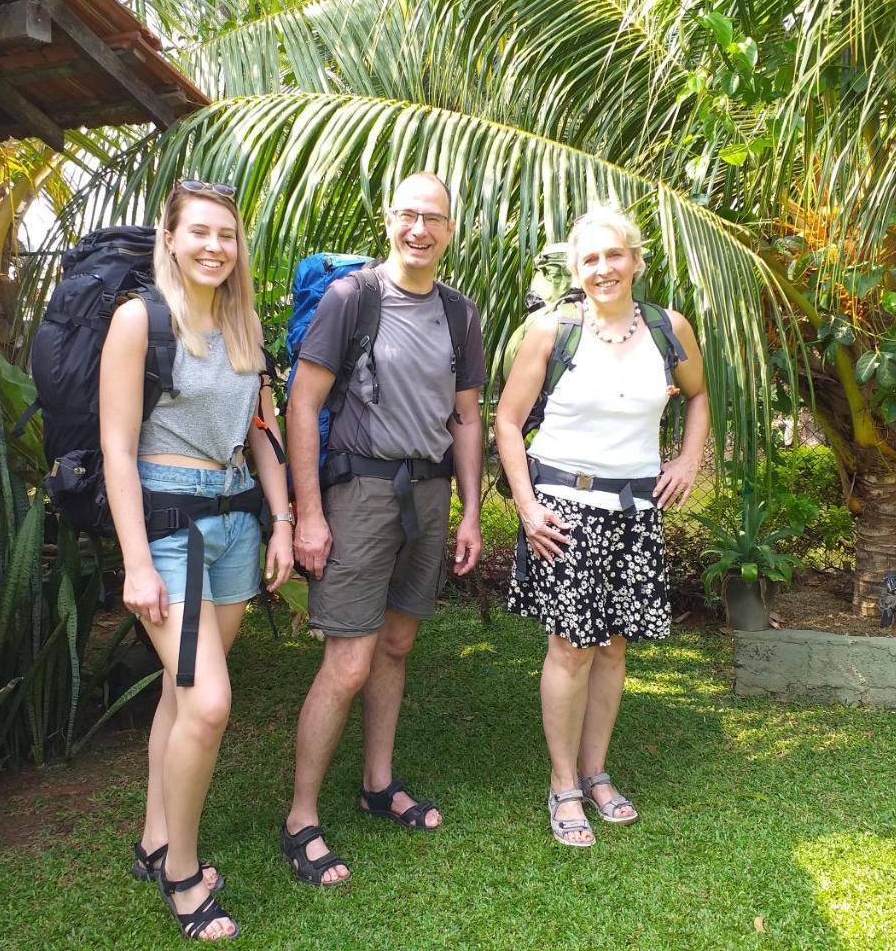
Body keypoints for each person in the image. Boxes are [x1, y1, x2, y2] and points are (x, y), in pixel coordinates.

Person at [101, 180, 293, 940]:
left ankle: (154, 837)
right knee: (209, 702)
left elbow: (262, 436)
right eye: (201, 233)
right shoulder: (139, 321)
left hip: (237, 521)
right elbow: (117, 448)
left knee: (184, 701)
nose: (215, 246)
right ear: (172, 239)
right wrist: (135, 562)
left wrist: (281, 522)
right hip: (170, 525)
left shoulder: (246, 328)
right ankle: (182, 871)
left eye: (228, 235)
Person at [281, 172, 485, 886]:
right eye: (408, 215)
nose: (420, 229)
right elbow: (302, 404)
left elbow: (466, 417)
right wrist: (307, 512)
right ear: (388, 220)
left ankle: (376, 784)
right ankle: (300, 817)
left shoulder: (461, 314)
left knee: (396, 644)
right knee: (349, 662)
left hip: (427, 496)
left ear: (451, 231)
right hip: (360, 492)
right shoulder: (353, 298)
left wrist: (470, 510)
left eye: (434, 218)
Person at [494, 205, 709, 847]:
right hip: (564, 511)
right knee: (570, 647)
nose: (604, 268)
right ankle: (563, 784)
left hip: (636, 513)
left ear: (637, 261)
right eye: (590, 259)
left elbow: (698, 395)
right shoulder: (550, 332)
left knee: (612, 645)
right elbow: (507, 421)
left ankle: (596, 773)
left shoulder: (670, 329)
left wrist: (689, 457)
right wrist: (528, 508)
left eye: (615, 255)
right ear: (576, 270)